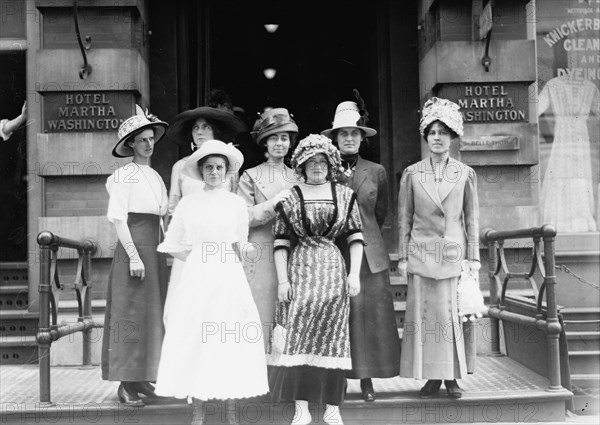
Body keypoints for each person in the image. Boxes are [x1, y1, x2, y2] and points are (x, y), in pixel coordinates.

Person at [155, 140, 269, 425]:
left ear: (227, 172)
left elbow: (240, 245)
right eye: (209, 168)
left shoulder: (235, 204)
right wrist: (194, 258)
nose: (214, 172)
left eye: (219, 167)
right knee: (197, 338)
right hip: (197, 278)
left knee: (227, 338)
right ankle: (199, 409)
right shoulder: (188, 203)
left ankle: (230, 408)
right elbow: (171, 244)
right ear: (202, 171)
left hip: (228, 277)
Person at [269, 134, 364, 425]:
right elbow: (281, 241)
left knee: (334, 337)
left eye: (323, 161)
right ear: (302, 164)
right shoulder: (291, 196)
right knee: (299, 334)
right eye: (312, 161)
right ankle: (301, 407)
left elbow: (355, 237)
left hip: (333, 269)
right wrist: (283, 281)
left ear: (331, 163)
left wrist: (354, 274)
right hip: (301, 269)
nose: (318, 166)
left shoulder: (345, 195)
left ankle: (332, 406)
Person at [397, 97, 480, 399]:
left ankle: (452, 378)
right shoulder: (412, 173)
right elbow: (404, 218)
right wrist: (403, 257)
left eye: (443, 133)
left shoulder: (465, 173)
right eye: (432, 133)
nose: (437, 138)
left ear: (452, 137)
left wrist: (473, 257)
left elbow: (471, 218)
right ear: (425, 137)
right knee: (426, 319)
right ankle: (431, 378)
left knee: (450, 319)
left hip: (452, 256)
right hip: (421, 254)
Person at [321, 101, 400, 402]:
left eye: (355, 133)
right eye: (343, 134)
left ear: (362, 138)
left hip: (369, 253)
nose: (349, 139)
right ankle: (337, 378)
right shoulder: (324, 169)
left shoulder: (376, 171)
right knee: (339, 316)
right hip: (335, 251)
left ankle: (367, 378)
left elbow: (380, 213)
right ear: (335, 138)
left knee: (369, 318)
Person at [102, 105, 169, 406]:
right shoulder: (124, 175)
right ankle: (126, 384)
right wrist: (133, 256)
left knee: (149, 315)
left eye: (151, 138)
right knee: (129, 315)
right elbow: (118, 219)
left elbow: (162, 218)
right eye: (141, 139)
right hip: (134, 250)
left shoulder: (154, 175)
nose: (148, 143)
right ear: (130, 144)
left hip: (154, 252)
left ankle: (143, 377)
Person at [164, 93, 247, 324]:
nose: (199, 132)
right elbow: (173, 209)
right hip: (190, 247)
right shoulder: (180, 167)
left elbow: (232, 209)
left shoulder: (226, 167)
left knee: (220, 308)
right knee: (183, 310)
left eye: (205, 127)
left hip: (220, 248)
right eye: (195, 128)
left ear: (215, 132)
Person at [237, 108, 299, 349]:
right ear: (264, 142)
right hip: (261, 253)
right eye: (273, 137)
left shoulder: (299, 177)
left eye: (284, 137)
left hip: (292, 253)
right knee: (260, 313)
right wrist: (272, 204)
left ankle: (285, 379)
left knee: (289, 316)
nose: (279, 143)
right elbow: (242, 216)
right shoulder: (250, 176)